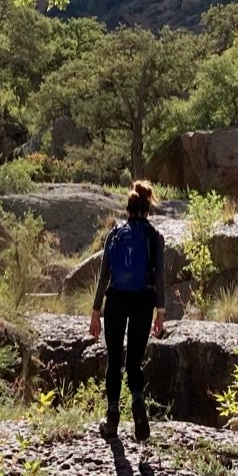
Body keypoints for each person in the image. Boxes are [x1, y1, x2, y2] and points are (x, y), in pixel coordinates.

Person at [89, 181, 168, 442]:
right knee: (134, 362)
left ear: (128, 209)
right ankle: (138, 407)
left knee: (114, 360)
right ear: (147, 209)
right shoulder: (154, 237)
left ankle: (112, 420)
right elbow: (159, 276)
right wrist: (161, 311)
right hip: (143, 301)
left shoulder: (115, 234)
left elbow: (103, 277)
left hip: (116, 301)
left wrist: (95, 312)